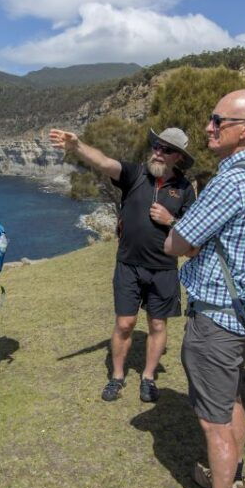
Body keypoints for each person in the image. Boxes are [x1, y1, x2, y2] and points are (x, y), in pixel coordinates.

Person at [159, 89, 245, 488]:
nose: (208, 127)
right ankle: (234, 476)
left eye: (218, 121)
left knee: (214, 421)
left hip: (216, 317)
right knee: (230, 400)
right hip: (243, 310)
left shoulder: (231, 181)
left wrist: (182, 235)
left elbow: (176, 242)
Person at [49, 126, 196, 403]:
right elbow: (104, 162)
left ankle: (148, 378)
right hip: (128, 265)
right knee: (125, 323)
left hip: (164, 268)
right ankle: (117, 377)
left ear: (178, 157)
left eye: (166, 150)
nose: (158, 152)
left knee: (158, 325)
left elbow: (192, 231)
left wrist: (170, 220)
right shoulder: (135, 173)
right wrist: (78, 146)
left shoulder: (185, 189)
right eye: (156, 146)